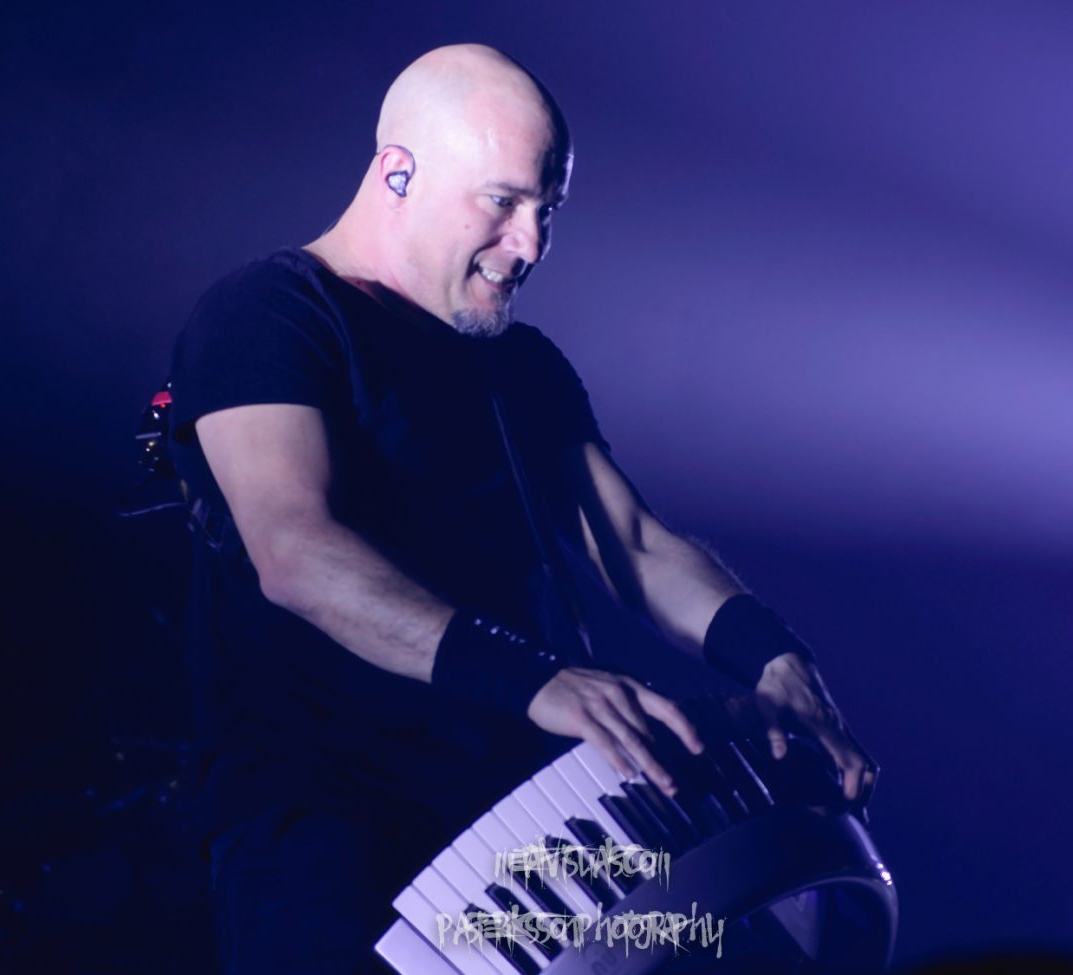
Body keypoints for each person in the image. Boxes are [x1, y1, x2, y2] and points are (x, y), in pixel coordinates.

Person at [168, 43, 877, 974]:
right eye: (502, 202)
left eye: (548, 210)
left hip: (527, 826)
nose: (532, 244)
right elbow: (295, 549)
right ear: (398, 172)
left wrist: (778, 657)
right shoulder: (270, 314)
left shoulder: (521, 364)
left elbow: (633, 544)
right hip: (332, 832)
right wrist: (537, 680)